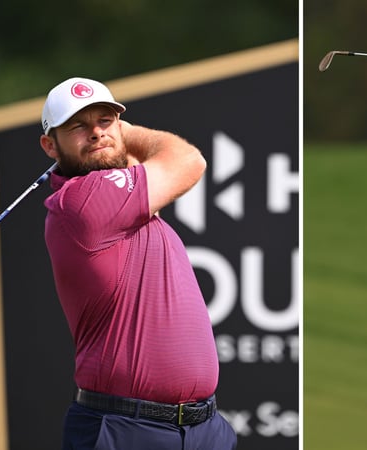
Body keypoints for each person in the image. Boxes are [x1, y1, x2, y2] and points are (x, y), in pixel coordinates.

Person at [38, 77, 237, 450]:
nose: (96, 133)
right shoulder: (83, 202)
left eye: (105, 121)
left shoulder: (122, 206)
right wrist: (128, 133)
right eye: (78, 126)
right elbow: (188, 161)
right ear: (50, 145)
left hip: (202, 428)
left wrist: (118, 144)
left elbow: (131, 168)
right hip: (126, 429)